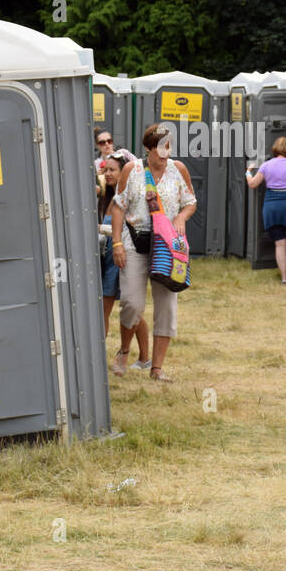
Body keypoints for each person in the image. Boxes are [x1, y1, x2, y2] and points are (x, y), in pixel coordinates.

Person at [110, 123, 197, 382]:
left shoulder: (178, 170)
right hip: (135, 243)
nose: (164, 152)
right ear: (148, 148)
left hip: (168, 248)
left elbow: (190, 202)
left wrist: (181, 216)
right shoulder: (132, 170)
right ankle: (125, 350)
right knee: (132, 303)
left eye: (168, 146)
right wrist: (116, 243)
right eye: (159, 147)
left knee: (167, 307)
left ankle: (156, 368)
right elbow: (118, 208)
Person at [98, 152, 150, 369]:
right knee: (116, 307)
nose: (107, 173)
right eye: (105, 169)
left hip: (123, 254)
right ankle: (143, 359)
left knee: (123, 307)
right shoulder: (104, 196)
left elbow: (130, 227)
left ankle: (142, 358)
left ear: (125, 171)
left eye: (112, 170)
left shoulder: (131, 197)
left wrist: (102, 230)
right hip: (107, 257)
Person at [245, 137, 286, 283]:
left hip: (271, 206)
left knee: (279, 243)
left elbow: (253, 184)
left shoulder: (266, 166)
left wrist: (248, 172)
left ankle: (284, 278)